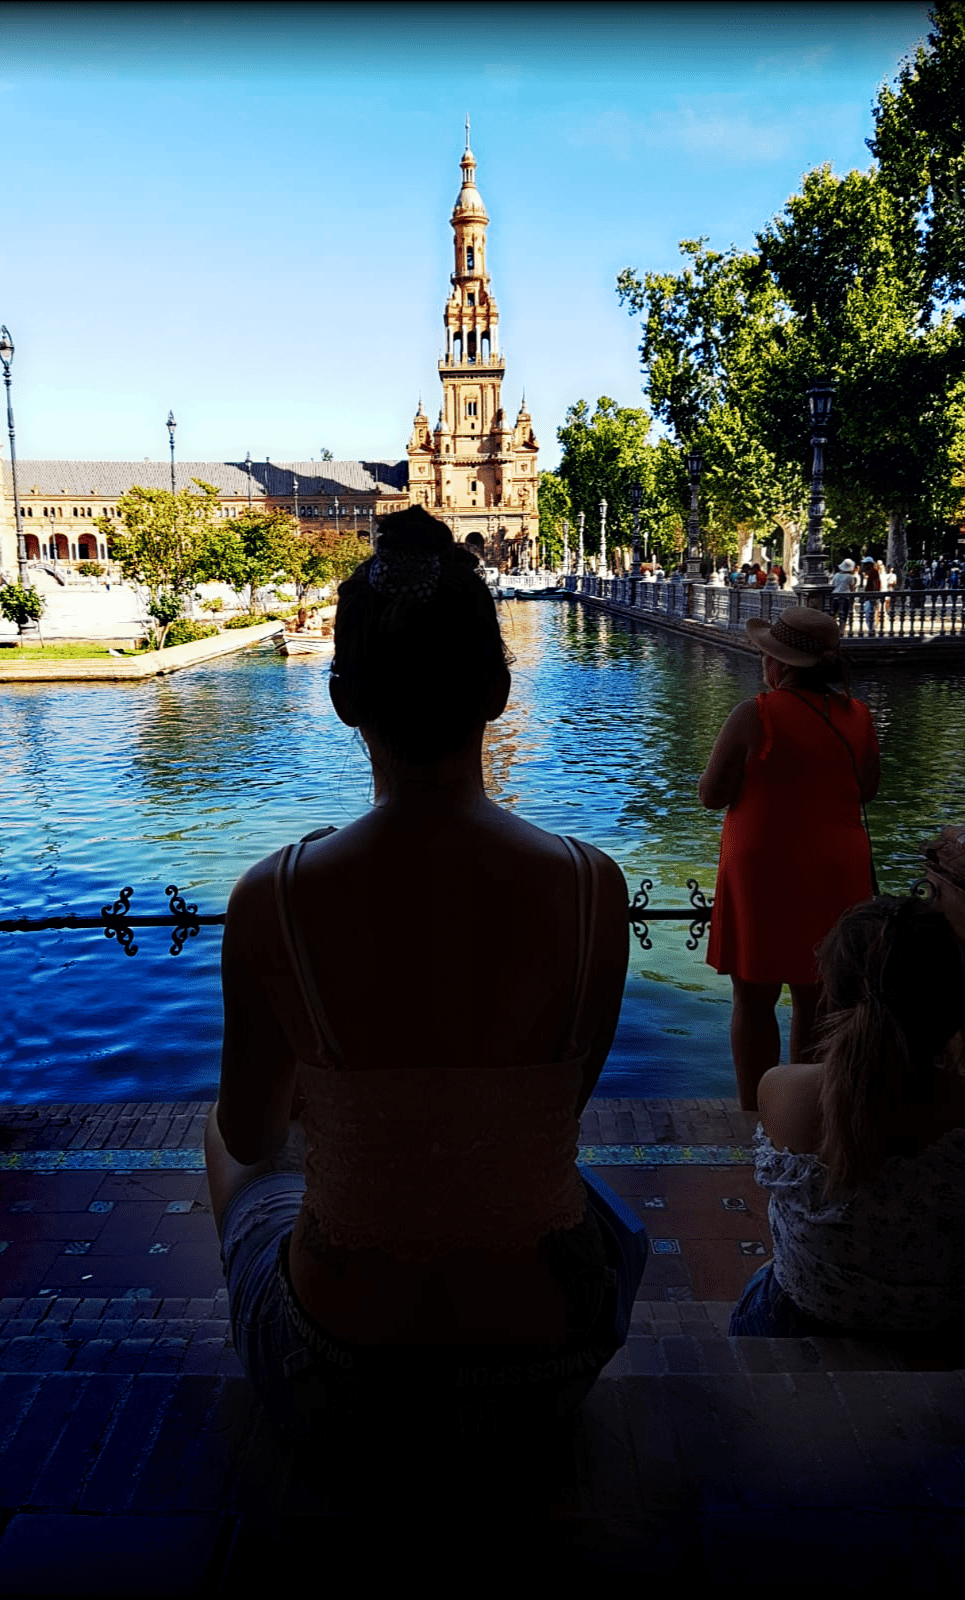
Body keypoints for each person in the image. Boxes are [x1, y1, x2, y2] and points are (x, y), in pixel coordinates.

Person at [206, 505, 647, 1453]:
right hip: (552, 1367)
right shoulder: (590, 886)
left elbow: (250, 1131)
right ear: (495, 689)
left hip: (342, 1370)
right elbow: (559, 1096)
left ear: (340, 697)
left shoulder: (271, 898)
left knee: (228, 1140)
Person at [730, 896, 965, 1336]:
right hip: (944, 1326)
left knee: (771, 1271)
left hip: (802, 1318)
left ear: (833, 1000)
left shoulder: (784, 1090)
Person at [699, 606, 880, 1109]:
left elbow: (712, 795)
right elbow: (867, 789)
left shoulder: (755, 714)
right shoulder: (859, 716)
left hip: (764, 871)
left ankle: (756, 1114)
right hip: (837, 871)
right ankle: (803, 1115)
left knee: (755, 998)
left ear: (776, 663)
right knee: (818, 996)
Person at [830, 558, 857, 627]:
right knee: (844, 616)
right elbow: (852, 589)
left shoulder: (836, 575)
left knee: (833, 614)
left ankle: (833, 628)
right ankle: (841, 631)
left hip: (835, 596)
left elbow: (833, 585)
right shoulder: (850, 577)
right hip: (845, 598)